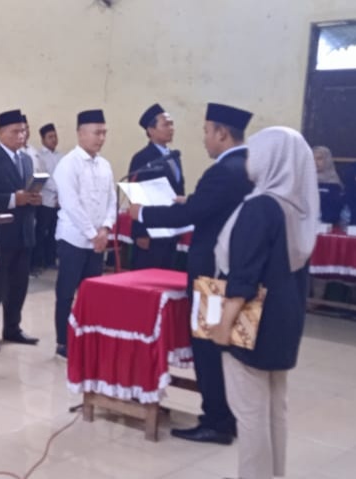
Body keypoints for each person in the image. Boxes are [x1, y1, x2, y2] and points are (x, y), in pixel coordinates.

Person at [129, 102, 254, 445]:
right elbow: (208, 207)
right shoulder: (248, 166)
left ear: (222, 133)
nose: (204, 139)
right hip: (236, 269)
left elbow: (192, 216)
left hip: (214, 272)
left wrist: (143, 215)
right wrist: (193, 203)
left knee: (209, 347)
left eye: (206, 131)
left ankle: (216, 421)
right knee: (230, 349)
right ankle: (229, 415)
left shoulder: (223, 170)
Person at [210, 126, 318, 479]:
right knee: (275, 409)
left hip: (251, 323)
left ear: (271, 158)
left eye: (254, 153)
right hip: (284, 319)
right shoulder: (298, 207)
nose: (248, 160)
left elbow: (243, 278)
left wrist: (222, 326)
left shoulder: (260, 207)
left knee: (250, 414)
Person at [53, 110, 116, 359]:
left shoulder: (105, 165)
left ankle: (88, 336)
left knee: (92, 294)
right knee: (66, 293)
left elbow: (111, 200)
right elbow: (71, 204)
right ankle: (63, 342)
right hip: (73, 239)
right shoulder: (68, 164)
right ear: (81, 134)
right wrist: (93, 233)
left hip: (97, 241)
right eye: (96, 133)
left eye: (104, 133)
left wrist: (106, 228)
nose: (101, 138)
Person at [0, 109, 40, 353]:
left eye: (23, 131)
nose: (21, 136)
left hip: (24, 232)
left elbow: (28, 190)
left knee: (19, 285)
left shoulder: (26, 160)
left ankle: (12, 327)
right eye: (15, 131)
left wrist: (33, 198)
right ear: (1, 133)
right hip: (1, 233)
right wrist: (14, 199)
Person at [128, 103, 185, 270]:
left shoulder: (173, 156)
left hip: (170, 227)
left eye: (172, 124)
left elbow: (178, 189)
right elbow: (136, 193)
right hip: (150, 231)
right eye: (166, 125)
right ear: (151, 130)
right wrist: (141, 232)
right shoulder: (142, 157)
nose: (171, 128)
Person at [32, 123, 62, 273]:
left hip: (59, 201)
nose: (54, 139)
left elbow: (64, 177)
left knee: (54, 232)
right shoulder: (39, 156)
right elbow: (45, 178)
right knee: (41, 232)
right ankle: (38, 262)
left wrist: (61, 194)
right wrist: (58, 190)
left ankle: (50, 260)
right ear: (43, 139)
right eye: (50, 137)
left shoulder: (61, 156)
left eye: (55, 136)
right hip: (45, 200)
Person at [314, 146, 343, 224]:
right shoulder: (305, 180)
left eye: (319, 158)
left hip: (327, 225)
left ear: (327, 160)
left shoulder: (334, 183)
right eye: (312, 159)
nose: (315, 162)